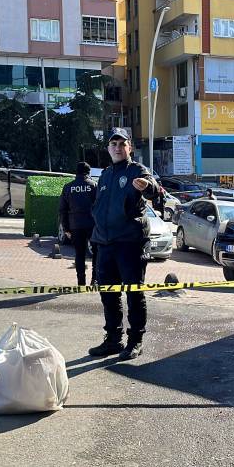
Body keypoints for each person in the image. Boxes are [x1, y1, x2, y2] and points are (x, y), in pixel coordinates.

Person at [88, 127, 159, 361]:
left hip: (130, 243)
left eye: (122, 144)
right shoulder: (106, 174)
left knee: (133, 293)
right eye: (113, 144)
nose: (118, 148)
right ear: (108, 148)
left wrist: (147, 187)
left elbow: (156, 191)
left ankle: (135, 341)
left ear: (130, 147)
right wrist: (95, 239)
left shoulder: (137, 170)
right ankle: (113, 340)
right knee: (109, 295)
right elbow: (100, 207)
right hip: (105, 244)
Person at [59, 161, 99, 286]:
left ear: (76, 172)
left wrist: (66, 228)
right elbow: (100, 206)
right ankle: (95, 280)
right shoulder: (94, 186)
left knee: (79, 254)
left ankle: (81, 282)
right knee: (96, 254)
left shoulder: (68, 187)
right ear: (88, 172)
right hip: (93, 225)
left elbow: (62, 209)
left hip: (75, 225)